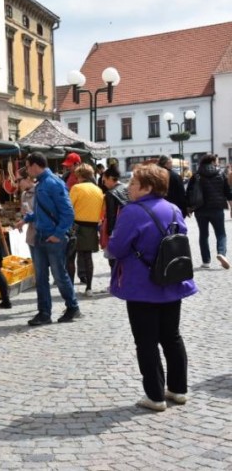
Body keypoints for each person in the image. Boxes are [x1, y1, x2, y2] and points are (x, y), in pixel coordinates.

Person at [106, 163, 197, 411]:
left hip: (141, 285)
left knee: (146, 341)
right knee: (172, 337)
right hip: (170, 280)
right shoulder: (173, 208)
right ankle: (178, 390)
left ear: (147, 187)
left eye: (134, 183)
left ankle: (155, 396)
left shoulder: (132, 212)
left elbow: (116, 248)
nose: (129, 187)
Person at [21, 152, 81, 325]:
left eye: (27, 166)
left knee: (59, 275)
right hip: (40, 236)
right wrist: (27, 219)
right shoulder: (41, 183)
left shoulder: (53, 183)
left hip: (53, 238)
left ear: (34, 165)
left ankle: (73, 307)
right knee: (41, 277)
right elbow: (42, 212)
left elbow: (68, 212)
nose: (27, 171)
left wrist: (58, 234)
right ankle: (44, 313)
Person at [185, 153, 232, 269]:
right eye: (216, 160)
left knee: (203, 234)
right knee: (221, 233)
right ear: (212, 162)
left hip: (200, 209)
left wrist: (189, 207)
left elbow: (189, 192)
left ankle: (206, 261)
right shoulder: (221, 174)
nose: (217, 162)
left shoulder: (196, 175)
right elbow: (228, 192)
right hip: (217, 208)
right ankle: (221, 253)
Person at [68, 164, 104, 296]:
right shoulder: (98, 190)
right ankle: (89, 287)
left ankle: (70, 287)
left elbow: (69, 207)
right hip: (92, 226)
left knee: (71, 257)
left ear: (80, 176)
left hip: (76, 226)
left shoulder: (76, 188)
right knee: (88, 257)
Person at [101, 165, 129, 268]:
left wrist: (109, 235)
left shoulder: (111, 194)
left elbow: (111, 216)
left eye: (104, 181)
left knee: (114, 263)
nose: (104, 184)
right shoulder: (127, 188)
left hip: (116, 231)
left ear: (110, 178)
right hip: (129, 229)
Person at [14, 167, 36, 255]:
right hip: (31, 238)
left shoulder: (41, 192)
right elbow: (26, 214)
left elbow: (40, 214)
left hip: (45, 237)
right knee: (37, 266)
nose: (18, 184)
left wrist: (24, 221)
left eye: (19, 180)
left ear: (27, 178)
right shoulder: (24, 195)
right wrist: (21, 221)